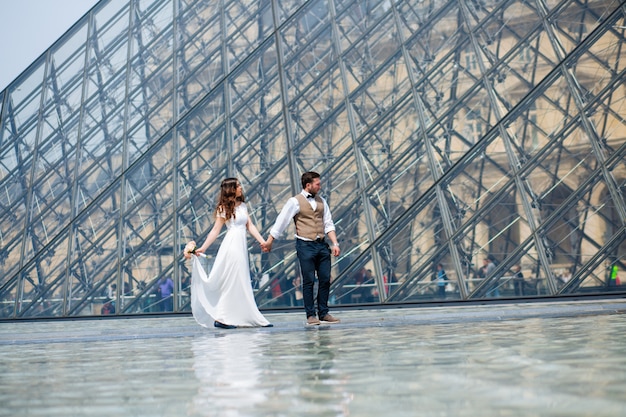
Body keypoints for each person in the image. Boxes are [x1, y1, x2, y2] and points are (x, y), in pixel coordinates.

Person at [184, 178, 272, 329]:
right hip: (232, 246)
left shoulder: (242, 206)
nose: (241, 188)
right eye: (237, 186)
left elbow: (250, 226)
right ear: (231, 189)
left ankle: (237, 316)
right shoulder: (223, 208)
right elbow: (215, 230)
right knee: (233, 280)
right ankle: (223, 318)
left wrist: (262, 241)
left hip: (240, 246)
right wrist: (203, 247)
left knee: (240, 280)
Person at [262, 171, 341, 325]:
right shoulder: (295, 201)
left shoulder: (322, 201)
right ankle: (310, 315)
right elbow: (282, 221)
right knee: (308, 280)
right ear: (308, 185)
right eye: (317, 184)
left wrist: (335, 243)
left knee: (325, 279)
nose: (320, 186)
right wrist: (270, 240)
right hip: (305, 245)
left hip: (322, 244)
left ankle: (324, 313)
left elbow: (328, 223)